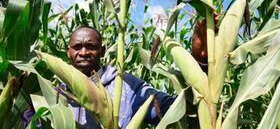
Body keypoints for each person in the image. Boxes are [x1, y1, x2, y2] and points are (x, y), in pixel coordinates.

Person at [23, 26, 175, 129]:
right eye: (77, 47)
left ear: (102, 51)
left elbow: (171, 108)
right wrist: (32, 105)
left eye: (91, 46)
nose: (83, 52)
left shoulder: (125, 84)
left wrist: (198, 64)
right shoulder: (56, 92)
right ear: (68, 52)